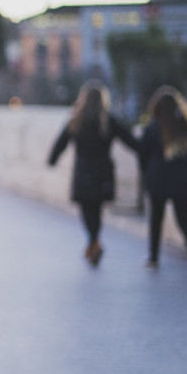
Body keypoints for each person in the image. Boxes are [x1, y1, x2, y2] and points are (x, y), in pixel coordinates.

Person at [47, 79, 139, 266]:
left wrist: (52, 160)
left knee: (86, 209)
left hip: (83, 172)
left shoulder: (76, 120)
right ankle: (94, 242)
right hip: (103, 172)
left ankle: (93, 242)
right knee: (97, 209)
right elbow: (131, 141)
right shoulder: (108, 120)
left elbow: (61, 143)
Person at [138, 86, 187, 278]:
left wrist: (147, 176)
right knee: (184, 220)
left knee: (156, 219)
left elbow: (142, 155)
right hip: (183, 182)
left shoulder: (152, 128)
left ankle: (153, 258)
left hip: (157, 180)